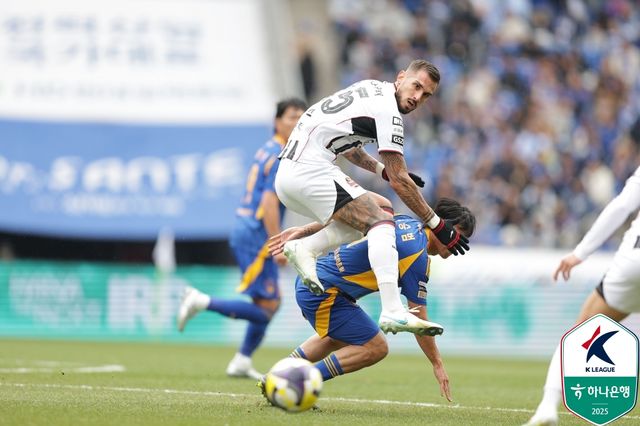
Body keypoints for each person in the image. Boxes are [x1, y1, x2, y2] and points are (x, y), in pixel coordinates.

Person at [274, 59, 470, 336]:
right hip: (310, 169)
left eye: (426, 95)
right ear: (401, 77)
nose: (417, 97)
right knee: (381, 222)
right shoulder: (389, 112)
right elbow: (401, 181)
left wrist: (382, 171)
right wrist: (437, 224)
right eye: (416, 86)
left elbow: (349, 148)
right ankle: (392, 310)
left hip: (291, 174)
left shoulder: (370, 89)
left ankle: (306, 247)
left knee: (381, 207)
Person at [264, 198, 475, 397]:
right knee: (376, 347)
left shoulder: (403, 220)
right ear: (442, 224)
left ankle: (274, 376)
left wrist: (306, 230)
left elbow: (348, 215)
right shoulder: (417, 257)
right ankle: (296, 382)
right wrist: (437, 363)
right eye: (458, 234)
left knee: (337, 338)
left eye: (465, 239)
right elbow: (419, 317)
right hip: (325, 292)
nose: (458, 242)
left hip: (314, 278)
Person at [177, 98, 307, 380]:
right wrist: (277, 244)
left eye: (301, 116)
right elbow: (269, 203)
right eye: (291, 116)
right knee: (268, 307)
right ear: (277, 122)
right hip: (256, 234)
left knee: (270, 303)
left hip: (247, 229)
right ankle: (201, 301)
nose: (297, 122)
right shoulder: (281, 155)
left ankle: (241, 360)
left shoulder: (268, 149)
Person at [525, 165, 640, 426]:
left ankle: (547, 406)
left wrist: (580, 253)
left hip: (633, 261)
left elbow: (621, 206)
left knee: (581, 332)